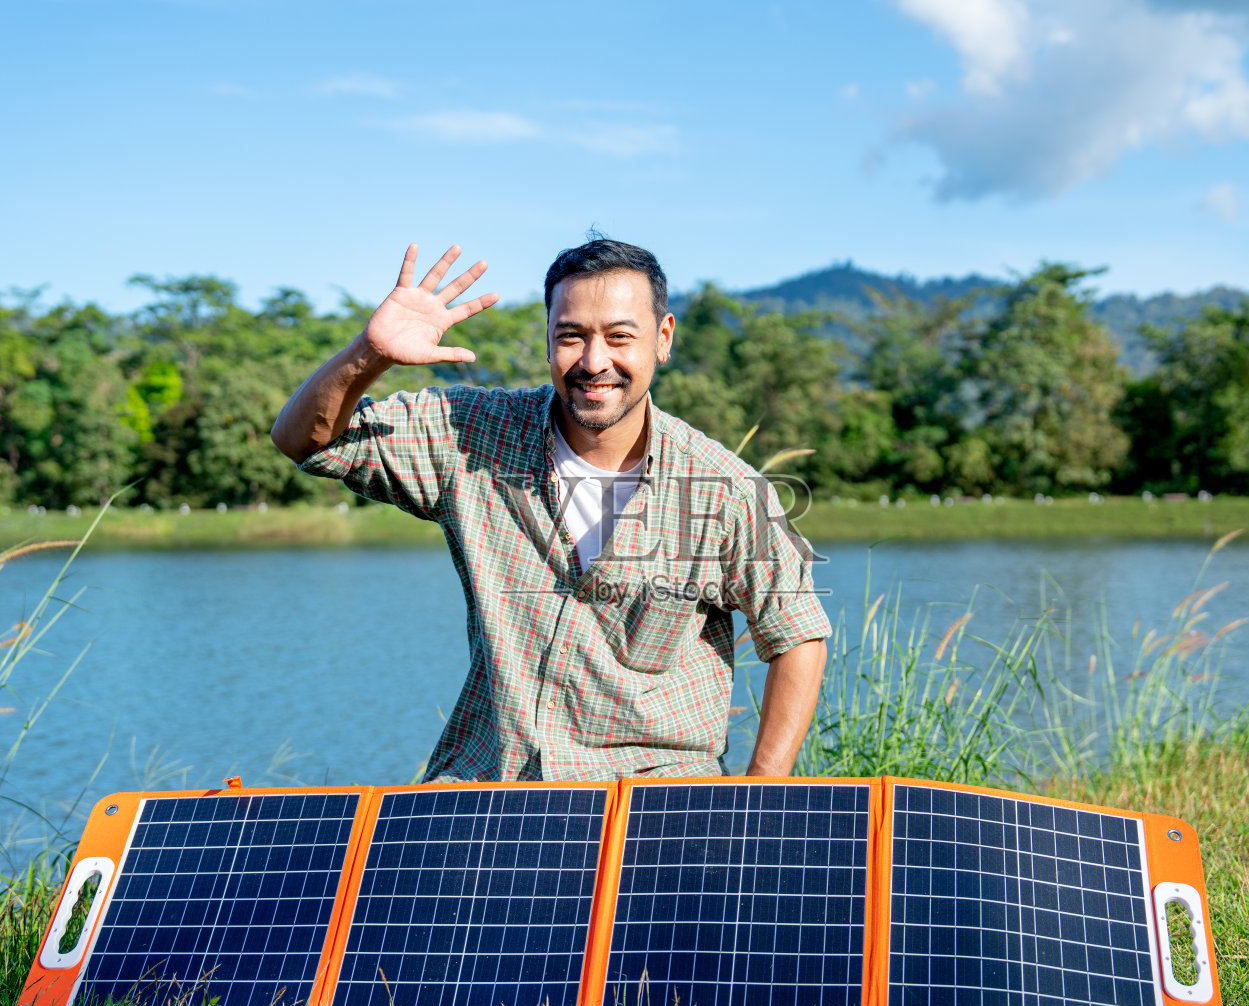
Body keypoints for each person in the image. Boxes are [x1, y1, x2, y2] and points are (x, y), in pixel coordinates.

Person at [270, 238, 830, 782]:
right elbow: (308, 443)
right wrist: (368, 356)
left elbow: (797, 636)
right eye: (571, 336)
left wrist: (760, 792)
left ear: (663, 338)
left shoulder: (724, 488)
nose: (594, 361)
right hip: (494, 788)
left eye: (618, 337)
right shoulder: (469, 434)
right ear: (546, 338)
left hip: (652, 803)